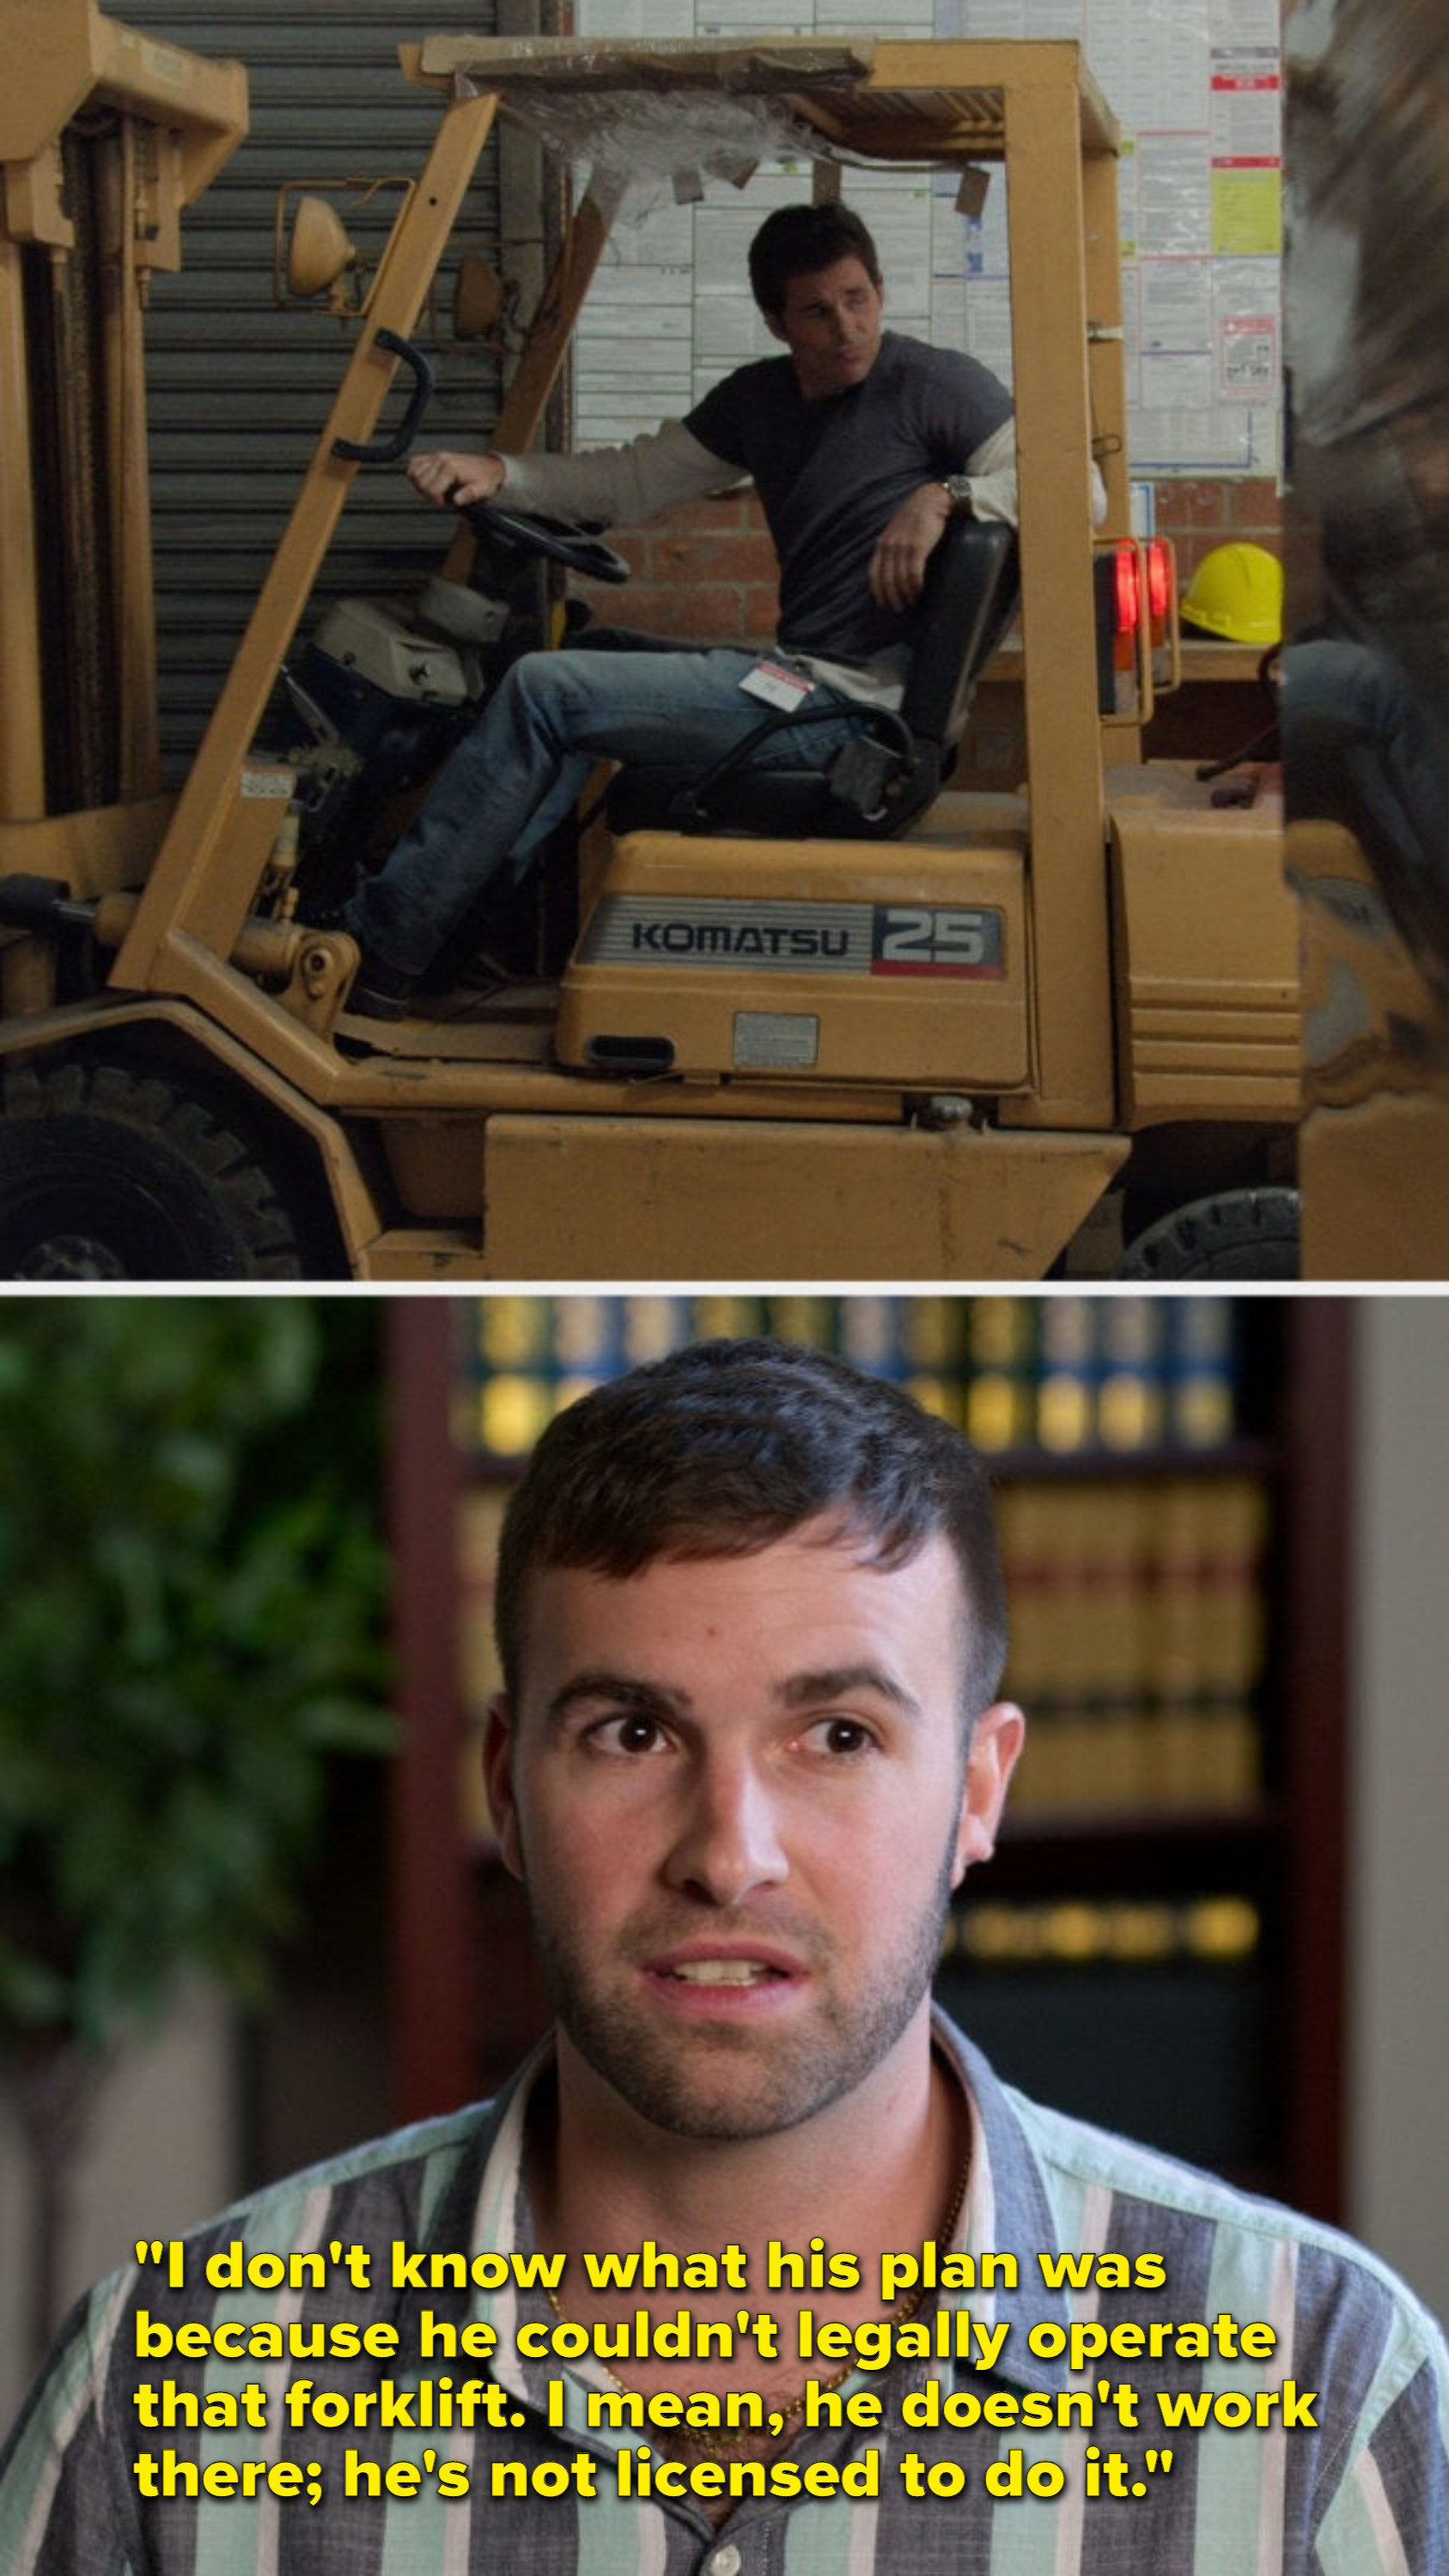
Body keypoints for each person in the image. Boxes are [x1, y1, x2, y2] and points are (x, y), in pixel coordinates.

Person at [3, 1337, 1445, 2573]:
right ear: (506, 1785)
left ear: (978, 1792)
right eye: (633, 1732)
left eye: (836, 1737)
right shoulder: (168, 2385)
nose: (727, 1851)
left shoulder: (1318, 2392)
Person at [341, 203, 1020, 1015]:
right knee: (603, 650)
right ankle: (476, 926)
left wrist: (942, 495)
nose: (846, 328)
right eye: (816, 310)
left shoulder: (931, 385)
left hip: (850, 715)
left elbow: (1075, 486)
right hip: (803, 684)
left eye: (857, 299)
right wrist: (500, 472)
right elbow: (634, 480)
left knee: (542, 690)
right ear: (776, 321)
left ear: (877, 289)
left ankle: (381, 951)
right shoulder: (760, 401)